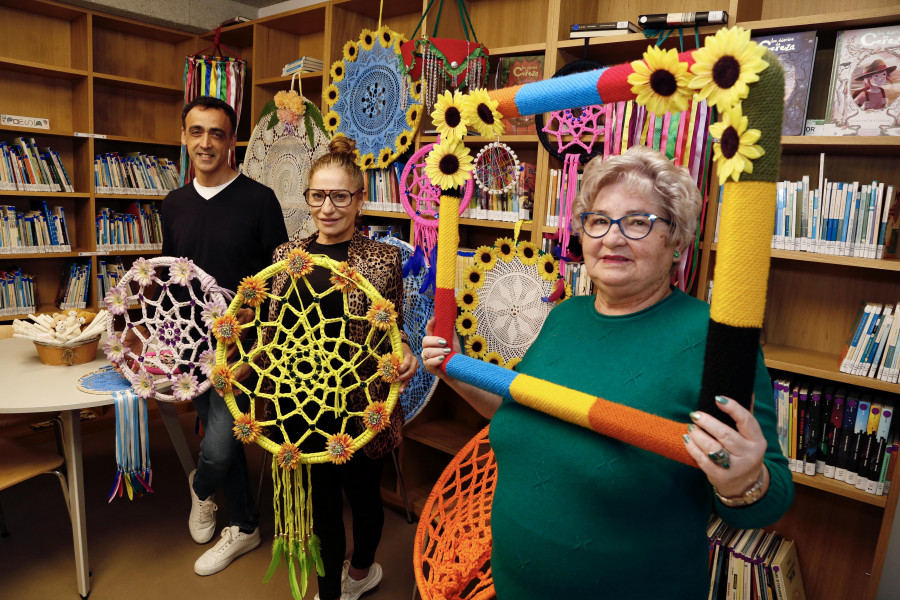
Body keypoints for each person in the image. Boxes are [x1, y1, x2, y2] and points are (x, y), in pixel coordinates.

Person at [421, 144, 793, 599]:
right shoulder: (564, 316)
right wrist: (454, 371)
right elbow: (514, 412)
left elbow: (765, 502)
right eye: (598, 220)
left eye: (638, 222)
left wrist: (741, 482)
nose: (611, 238)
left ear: (677, 239)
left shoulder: (714, 340)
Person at [261, 135, 416, 600]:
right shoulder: (287, 259)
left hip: (359, 404)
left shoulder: (384, 259)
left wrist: (404, 351)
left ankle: (363, 569)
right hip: (302, 403)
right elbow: (271, 335)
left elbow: (394, 328)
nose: (327, 208)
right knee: (321, 507)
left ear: (359, 199)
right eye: (318, 196)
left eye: (339, 196)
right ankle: (329, 591)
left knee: (365, 503)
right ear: (307, 196)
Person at [162, 95, 289, 576]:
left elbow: (280, 278)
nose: (206, 142)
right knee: (226, 440)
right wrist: (166, 339)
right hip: (192, 345)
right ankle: (244, 524)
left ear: (231, 140)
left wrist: (263, 346)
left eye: (217, 133)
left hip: (245, 350)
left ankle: (201, 488)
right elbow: (171, 277)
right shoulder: (173, 203)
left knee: (219, 444)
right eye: (196, 132)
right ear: (184, 138)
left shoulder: (259, 199)